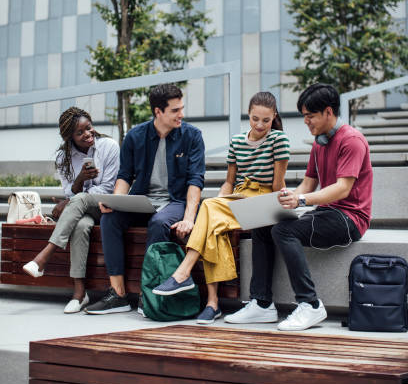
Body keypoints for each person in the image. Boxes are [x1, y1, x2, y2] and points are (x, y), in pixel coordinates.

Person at [226, 83, 373, 331]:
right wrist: (287, 198)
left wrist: (302, 201)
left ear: (328, 112)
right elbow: (308, 183)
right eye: (304, 116)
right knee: (265, 223)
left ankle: (311, 304)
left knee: (284, 231)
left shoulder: (352, 140)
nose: (305, 121)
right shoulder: (319, 142)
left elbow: (342, 189)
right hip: (326, 211)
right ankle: (262, 304)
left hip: (350, 218)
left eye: (310, 116)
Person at [153, 91, 290, 324]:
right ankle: (212, 303)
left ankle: (185, 275)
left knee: (209, 212)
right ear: (248, 114)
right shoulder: (237, 141)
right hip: (239, 197)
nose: (260, 125)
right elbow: (229, 182)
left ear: (274, 116)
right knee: (211, 216)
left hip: (264, 198)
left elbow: (277, 185)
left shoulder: (279, 140)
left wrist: (282, 207)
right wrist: (218, 203)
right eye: (255, 118)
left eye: (266, 120)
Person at [85, 83, 205, 315]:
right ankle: (118, 294)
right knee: (109, 219)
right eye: (175, 110)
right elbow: (125, 176)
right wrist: (116, 201)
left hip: (176, 202)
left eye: (182, 108)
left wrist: (189, 218)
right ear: (158, 112)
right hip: (143, 201)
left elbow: (195, 181)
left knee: (159, 222)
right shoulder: (135, 136)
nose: (181, 114)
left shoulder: (192, 136)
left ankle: (147, 295)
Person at [22, 107, 120, 313]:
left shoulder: (109, 147)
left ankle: (43, 257)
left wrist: (74, 197)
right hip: (83, 211)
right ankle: (79, 293)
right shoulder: (63, 157)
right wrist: (80, 180)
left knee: (81, 199)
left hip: (108, 207)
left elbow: (109, 187)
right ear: (69, 137)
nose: (88, 134)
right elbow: (69, 191)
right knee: (81, 225)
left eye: (89, 128)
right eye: (80, 132)